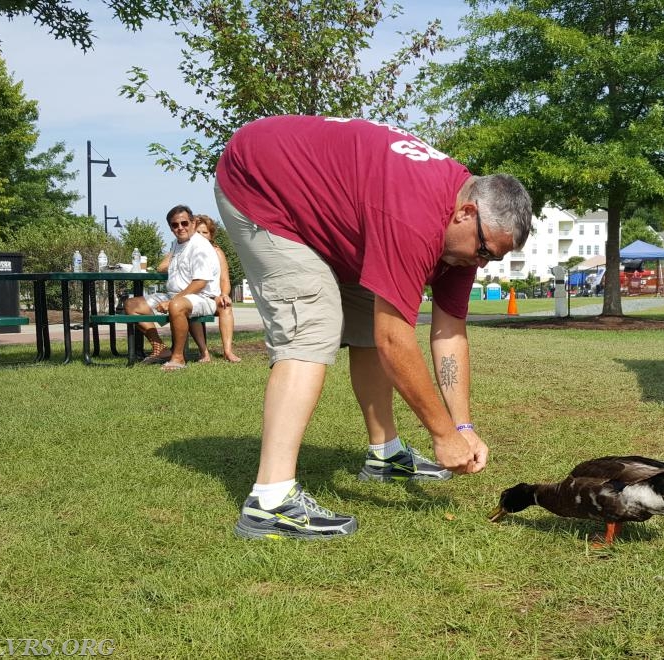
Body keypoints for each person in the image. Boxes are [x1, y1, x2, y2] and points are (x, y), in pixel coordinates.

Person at [214, 116, 532, 541]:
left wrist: (462, 427)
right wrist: (441, 436)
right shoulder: (415, 216)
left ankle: (385, 455)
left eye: (491, 259)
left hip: (327, 212)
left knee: (366, 312)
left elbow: (450, 332)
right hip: (259, 182)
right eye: (483, 252)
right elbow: (394, 340)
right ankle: (270, 501)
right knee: (313, 322)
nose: (482, 264)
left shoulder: (463, 237)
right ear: (466, 212)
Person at [125, 205, 221, 372]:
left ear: (193, 222)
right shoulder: (176, 244)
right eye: (175, 225)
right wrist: (171, 298)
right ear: (170, 227)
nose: (180, 228)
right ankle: (160, 348)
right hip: (176, 295)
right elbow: (163, 267)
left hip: (203, 297)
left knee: (177, 305)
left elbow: (200, 282)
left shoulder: (200, 246)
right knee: (131, 305)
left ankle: (178, 358)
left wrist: (171, 301)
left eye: (184, 223)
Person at [188, 214, 242, 363]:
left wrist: (225, 294)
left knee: (226, 306)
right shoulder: (185, 250)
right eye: (197, 232)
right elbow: (163, 266)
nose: (200, 236)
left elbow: (225, 278)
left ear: (211, 235)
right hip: (194, 296)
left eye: (204, 232)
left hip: (213, 297)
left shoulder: (217, 252)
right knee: (192, 307)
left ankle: (228, 351)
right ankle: (204, 352)